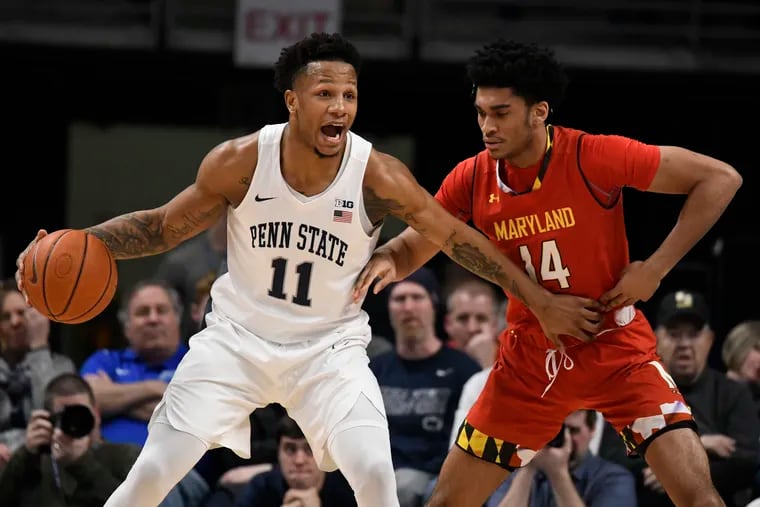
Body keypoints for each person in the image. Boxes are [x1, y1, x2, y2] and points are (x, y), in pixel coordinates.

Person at [15, 33, 599, 507]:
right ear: (293, 101)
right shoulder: (242, 161)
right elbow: (161, 227)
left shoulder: (377, 174)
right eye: (325, 94)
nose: (340, 107)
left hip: (329, 351)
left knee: (376, 475)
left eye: (349, 95)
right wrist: (75, 243)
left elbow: (456, 237)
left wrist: (539, 298)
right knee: (151, 473)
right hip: (235, 343)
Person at [354, 39, 742, 507]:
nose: (487, 126)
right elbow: (414, 246)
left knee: (699, 498)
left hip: (615, 348)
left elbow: (720, 179)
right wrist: (385, 260)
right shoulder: (472, 177)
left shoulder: (592, 156)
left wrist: (656, 268)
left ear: (539, 112)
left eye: (501, 113)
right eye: (480, 113)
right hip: (531, 361)